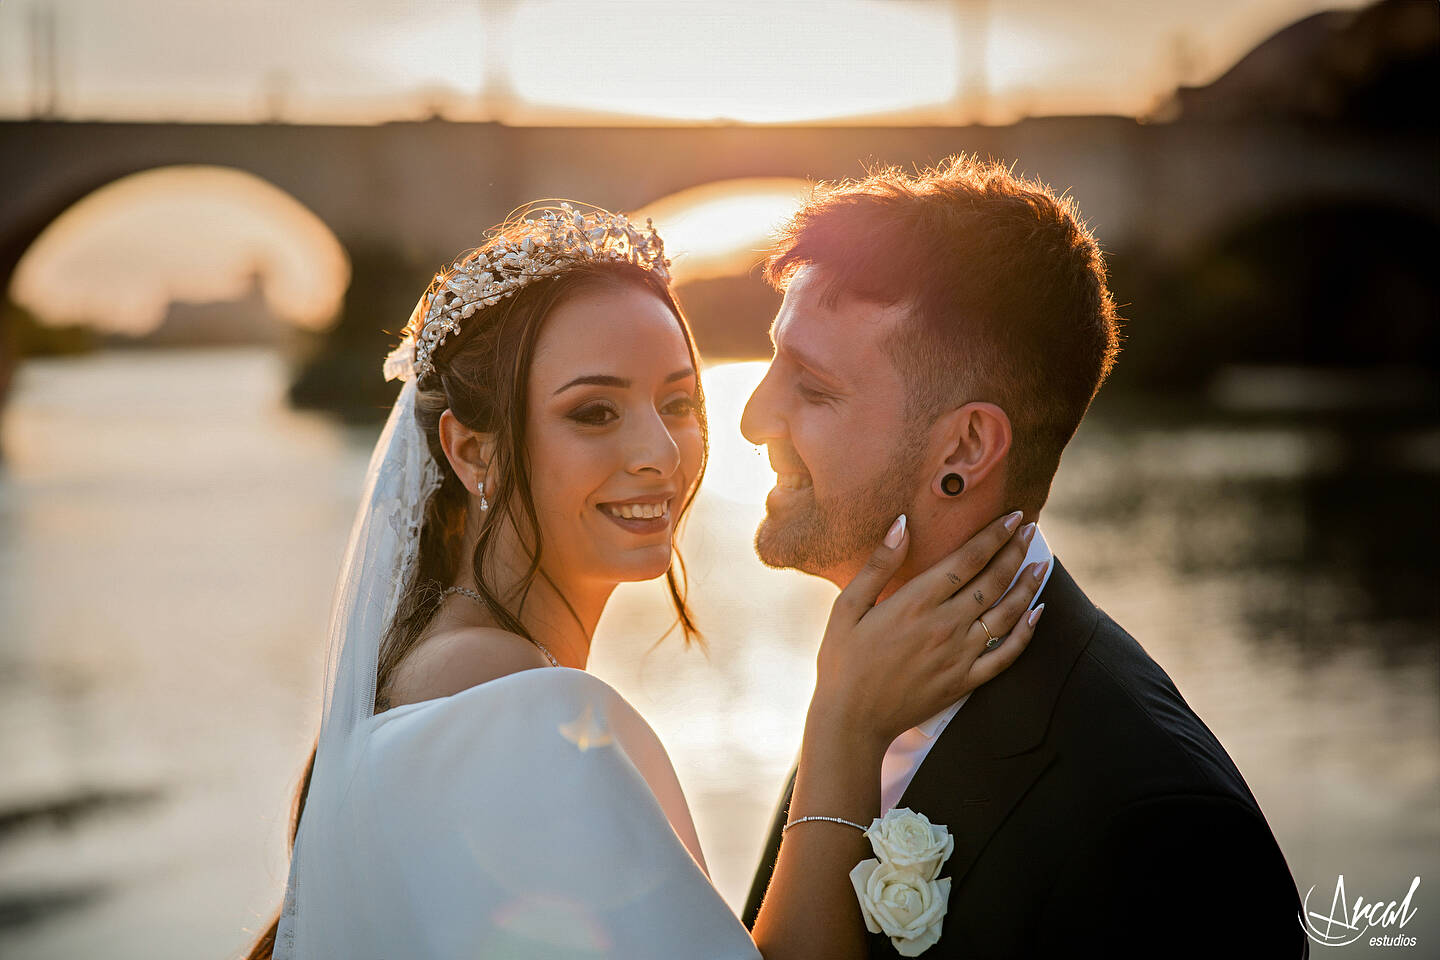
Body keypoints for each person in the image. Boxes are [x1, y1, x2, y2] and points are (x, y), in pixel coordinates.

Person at [244, 202, 1048, 960]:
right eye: (595, 412)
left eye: (677, 402)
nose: (659, 453)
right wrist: (843, 727)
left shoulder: (437, 672)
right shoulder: (522, 710)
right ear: (473, 451)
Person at [739, 157, 1309, 958]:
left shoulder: (1161, 832)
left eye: (814, 387)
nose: (754, 418)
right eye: (774, 365)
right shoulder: (862, 684)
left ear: (967, 446)